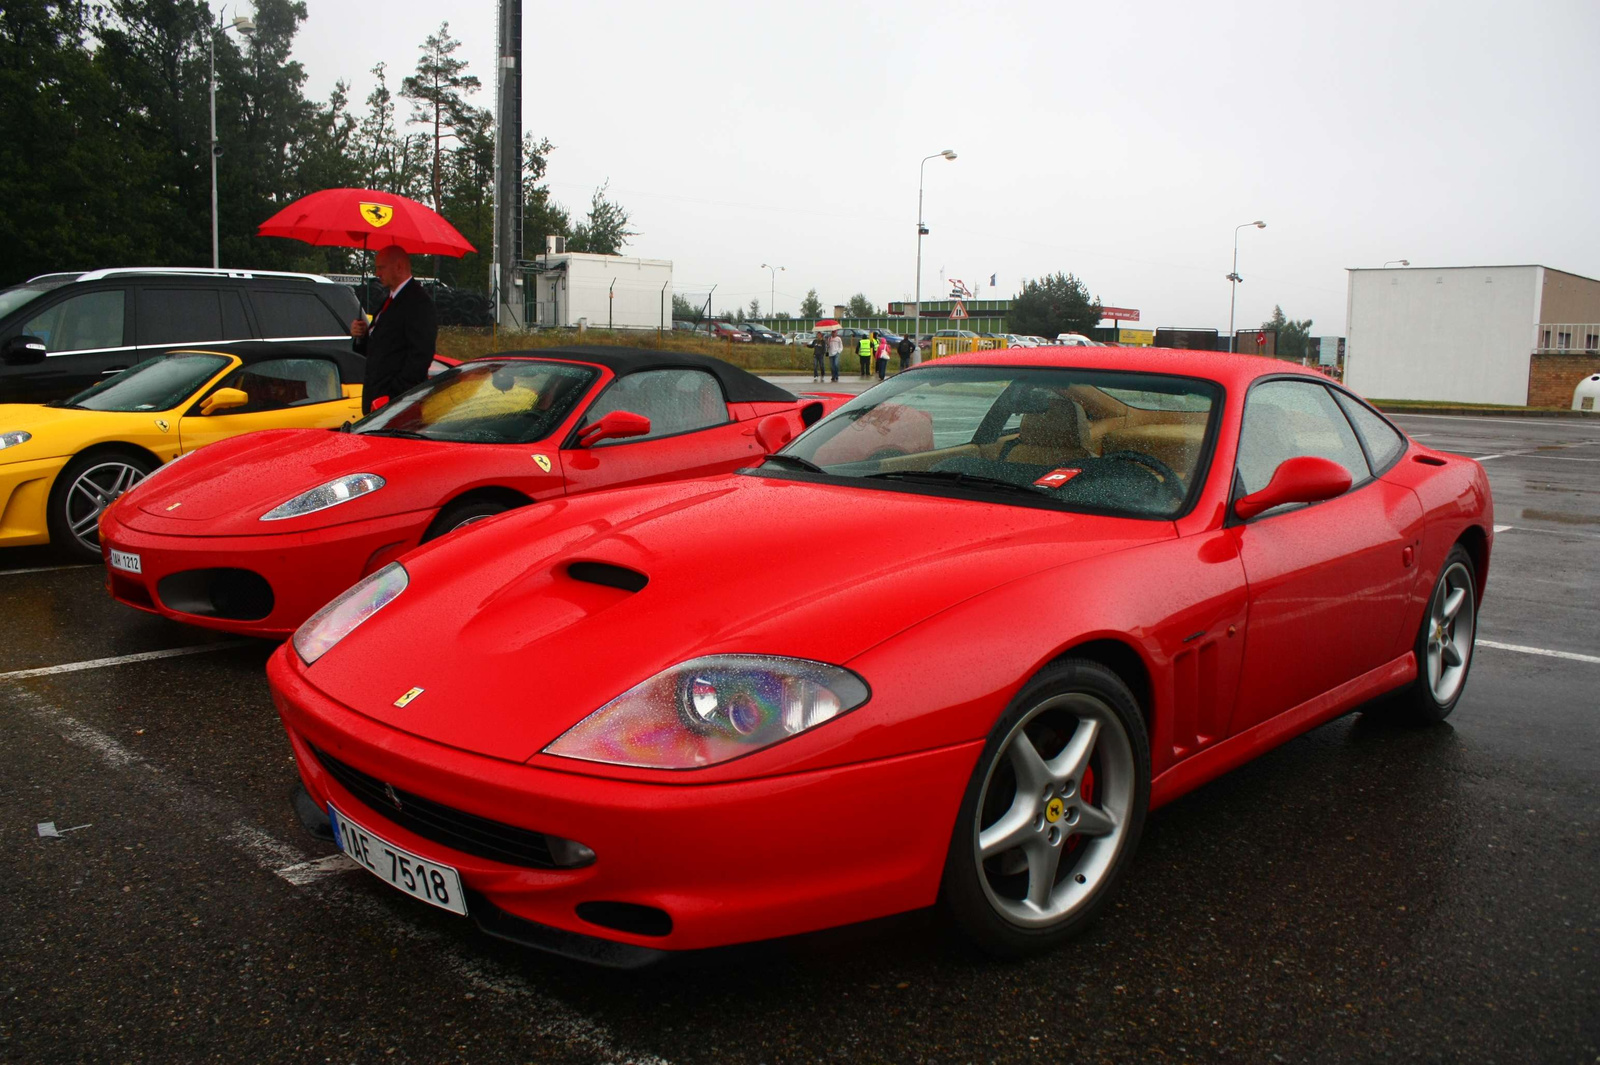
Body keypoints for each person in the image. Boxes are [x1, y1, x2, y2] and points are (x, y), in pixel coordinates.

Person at [350, 246, 437, 414]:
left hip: (396, 406)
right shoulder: (389, 301)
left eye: (381, 267)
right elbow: (380, 349)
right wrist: (361, 335)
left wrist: (395, 395)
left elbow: (421, 355)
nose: (377, 273)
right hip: (376, 403)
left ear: (399, 266)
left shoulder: (418, 302)